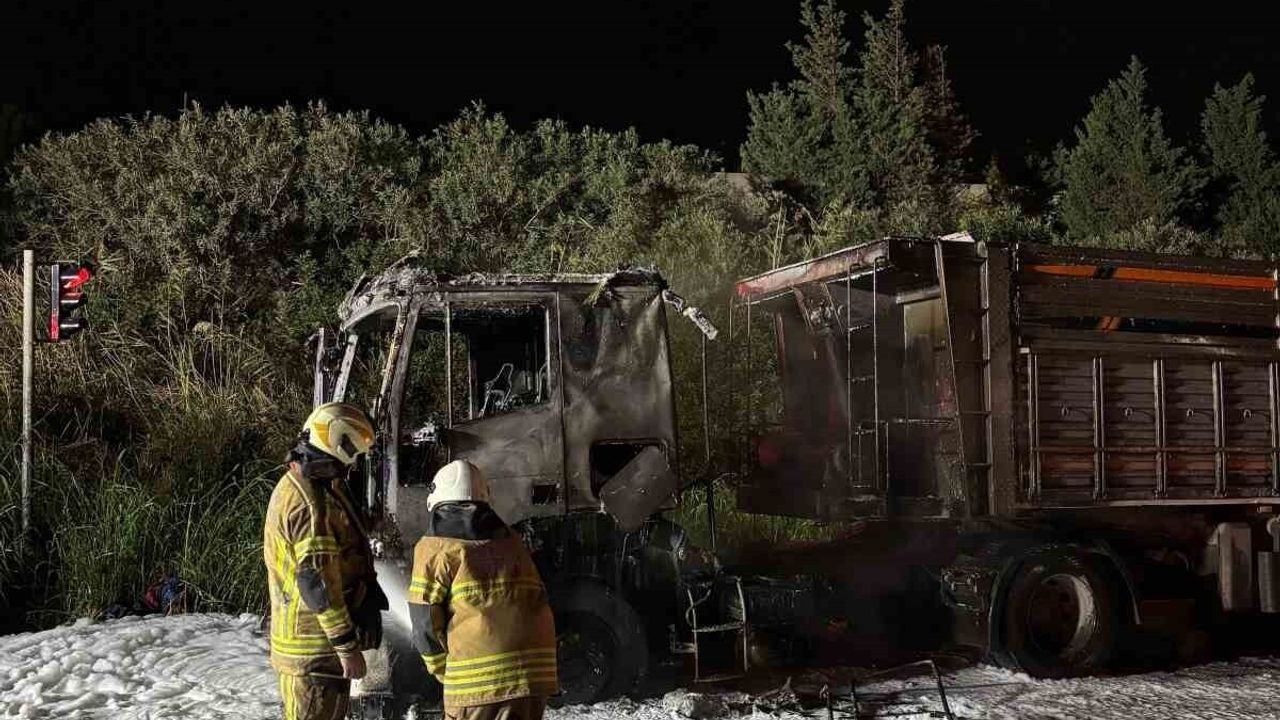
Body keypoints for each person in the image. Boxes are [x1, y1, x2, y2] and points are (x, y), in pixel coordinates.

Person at [264, 402, 387, 720]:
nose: (355, 462)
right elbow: (317, 583)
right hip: (315, 655)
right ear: (336, 442)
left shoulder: (312, 486)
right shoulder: (309, 503)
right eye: (354, 451)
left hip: (317, 652)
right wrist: (346, 646)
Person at [407, 460, 559, 720]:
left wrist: (445, 671)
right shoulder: (512, 542)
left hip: (478, 684)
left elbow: (424, 624)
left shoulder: (435, 549)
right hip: (534, 676)